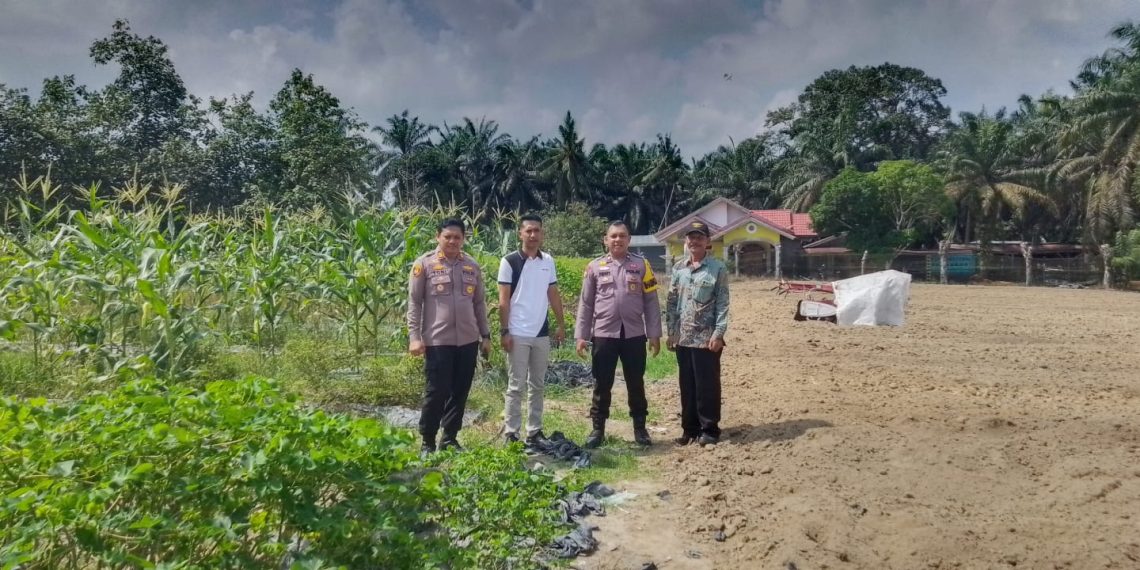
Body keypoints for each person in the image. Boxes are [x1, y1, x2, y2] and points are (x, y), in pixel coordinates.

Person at [407, 218, 492, 456]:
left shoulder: (471, 266)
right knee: (437, 391)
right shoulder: (424, 265)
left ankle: (450, 438)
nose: (453, 241)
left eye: (457, 237)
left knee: (460, 390)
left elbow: (479, 304)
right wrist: (414, 337)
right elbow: (414, 303)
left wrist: (485, 335)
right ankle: (427, 441)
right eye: (448, 237)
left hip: (467, 340)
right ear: (438, 237)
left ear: (464, 238)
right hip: (437, 340)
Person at [575, 220, 662, 448]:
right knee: (602, 382)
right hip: (604, 334)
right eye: (613, 236)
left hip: (634, 334)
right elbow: (585, 304)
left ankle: (640, 428)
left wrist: (654, 334)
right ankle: (597, 428)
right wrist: (581, 336)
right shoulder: (594, 267)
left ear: (628, 239)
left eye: (622, 236)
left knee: (636, 382)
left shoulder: (642, 265)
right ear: (605, 240)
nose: (617, 240)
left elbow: (651, 302)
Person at [498, 214, 567, 446]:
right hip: (517, 333)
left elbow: (553, 294)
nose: (533, 235)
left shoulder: (548, 261)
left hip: (541, 333)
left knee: (537, 385)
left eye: (537, 230)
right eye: (528, 230)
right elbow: (503, 300)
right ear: (520, 233)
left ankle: (535, 431)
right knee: (516, 385)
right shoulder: (509, 261)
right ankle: (511, 433)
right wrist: (504, 331)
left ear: (542, 234)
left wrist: (560, 323)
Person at [665, 221, 730, 446]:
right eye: (691, 237)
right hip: (683, 338)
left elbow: (722, 303)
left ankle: (709, 429)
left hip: (706, 339)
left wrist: (719, 333)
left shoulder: (717, 268)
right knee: (687, 385)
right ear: (686, 241)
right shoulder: (678, 269)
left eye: (699, 237)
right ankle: (689, 429)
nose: (694, 241)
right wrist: (671, 331)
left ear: (707, 242)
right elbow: (672, 302)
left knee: (707, 385)